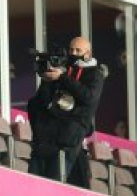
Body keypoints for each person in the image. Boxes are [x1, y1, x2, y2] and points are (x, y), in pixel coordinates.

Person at [27, 37, 105, 188]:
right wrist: (47, 79)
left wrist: (62, 77)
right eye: (71, 50)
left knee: (52, 187)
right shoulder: (62, 68)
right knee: (32, 187)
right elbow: (42, 102)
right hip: (44, 140)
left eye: (78, 50)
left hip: (67, 142)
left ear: (88, 54)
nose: (73, 53)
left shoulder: (95, 74)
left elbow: (88, 97)